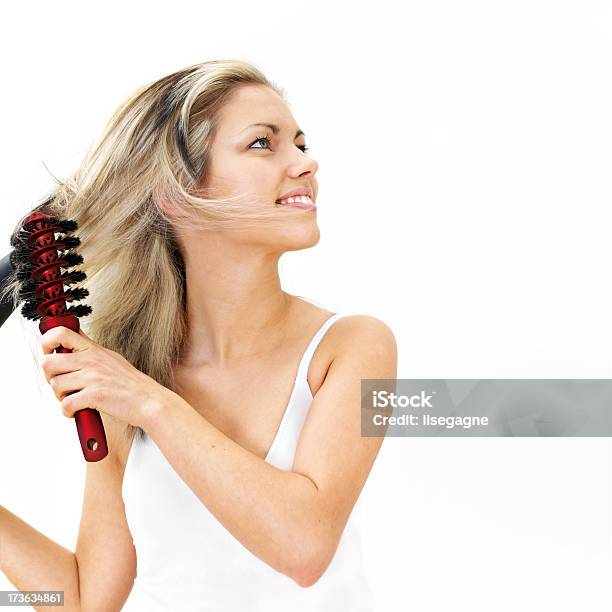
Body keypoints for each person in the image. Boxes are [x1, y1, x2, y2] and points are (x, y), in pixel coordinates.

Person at [0, 59, 397, 611]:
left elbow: (305, 547)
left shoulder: (354, 348)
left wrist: (151, 403)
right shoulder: (125, 375)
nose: (305, 163)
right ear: (176, 191)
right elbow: (87, 602)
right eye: (264, 143)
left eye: (300, 144)